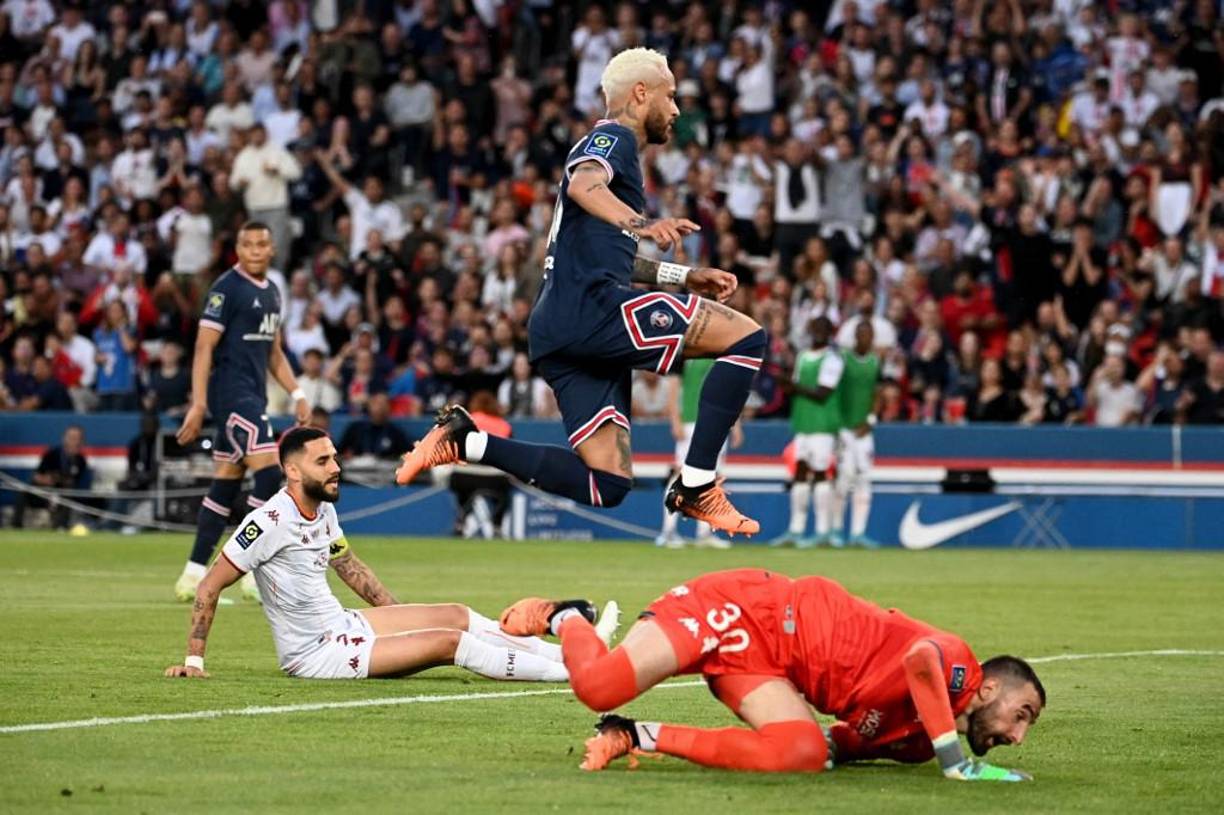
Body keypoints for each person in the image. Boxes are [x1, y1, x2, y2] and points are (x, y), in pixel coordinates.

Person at [396, 48, 766, 537]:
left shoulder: (615, 152)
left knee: (608, 483)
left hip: (561, 327)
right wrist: (645, 223)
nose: (676, 109)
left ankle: (468, 443)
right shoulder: (613, 138)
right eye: (671, 95)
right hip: (595, 311)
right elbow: (583, 186)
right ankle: (698, 485)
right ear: (641, 93)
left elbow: (609, 256)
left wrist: (681, 276)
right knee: (746, 339)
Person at [500, 568, 1043, 781]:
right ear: (989, 687)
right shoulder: (959, 667)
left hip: (764, 666)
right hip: (743, 609)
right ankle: (567, 616)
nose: (1017, 736)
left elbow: (844, 744)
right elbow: (920, 662)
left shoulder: (917, 742)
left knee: (802, 753)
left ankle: (632, 733)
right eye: (1022, 715)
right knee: (597, 686)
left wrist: (833, 748)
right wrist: (958, 764)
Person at [164, 427, 615, 681]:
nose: (336, 467)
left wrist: (406, 618)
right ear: (292, 471)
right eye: (323, 462)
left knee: (453, 614)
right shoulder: (268, 521)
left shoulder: (321, 510)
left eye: (335, 457)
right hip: (315, 654)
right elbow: (209, 584)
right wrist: (194, 661)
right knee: (449, 643)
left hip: (343, 624)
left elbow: (350, 567)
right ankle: (578, 673)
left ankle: (583, 654)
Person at [172, 222, 311, 603]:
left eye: (261, 244)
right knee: (269, 473)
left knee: (226, 484)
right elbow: (203, 348)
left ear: (271, 250)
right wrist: (199, 402)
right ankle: (249, 570)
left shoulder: (273, 293)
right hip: (232, 395)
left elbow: (274, 352)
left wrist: (297, 392)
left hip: (253, 396)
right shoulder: (226, 290)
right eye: (247, 244)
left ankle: (192, 574)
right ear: (237, 248)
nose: (254, 250)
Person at [656, 356, 741, 549]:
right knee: (680, 474)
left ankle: (704, 534)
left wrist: (735, 424)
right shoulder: (687, 352)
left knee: (710, 478)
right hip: (692, 420)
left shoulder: (724, 355)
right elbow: (673, 386)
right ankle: (667, 532)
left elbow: (730, 391)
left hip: (717, 421)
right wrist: (675, 419)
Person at [775, 316, 842, 547]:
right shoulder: (803, 356)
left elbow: (822, 393)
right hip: (803, 423)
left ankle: (823, 530)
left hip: (823, 425)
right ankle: (796, 529)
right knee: (800, 472)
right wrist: (783, 383)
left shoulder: (832, 359)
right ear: (811, 329)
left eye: (825, 329)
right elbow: (795, 388)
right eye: (817, 327)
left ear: (830, 332)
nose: (820, 332)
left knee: (822, 473)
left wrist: (792, 386)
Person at [830, 320, 882, 548]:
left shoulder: (874, 362)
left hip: (864, 430)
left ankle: (858, 533)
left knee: (864, 479)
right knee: (844, 478)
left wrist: (871, 420)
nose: (865, 338)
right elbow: (833, 392)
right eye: (861, 334)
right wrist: (839, 426)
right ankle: (836, 530)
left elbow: (878, 394)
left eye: (869, 334)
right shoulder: (843, 360)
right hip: (844, 429)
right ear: (855, 337)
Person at [12, 425, 91, 530]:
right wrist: (46, 480)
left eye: (78, 439)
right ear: (65, 439)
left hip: (64, 495)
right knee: (23, 493)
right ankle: (16, 526)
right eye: (72, 438)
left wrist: (61, 480)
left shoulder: (81, 460)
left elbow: (76, 483)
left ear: (82, 442)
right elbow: (36, 476)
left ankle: (60, 527)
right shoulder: (52, 454)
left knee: (68, 497)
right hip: (44, 493)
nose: (75, 442)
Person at [337, 393, 410, 460]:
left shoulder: (395, 432)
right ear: (369, 406)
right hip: (358, 469)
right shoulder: (355, 428)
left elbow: (409, 454)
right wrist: (346, 458)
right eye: (376, 404)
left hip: (385, 471)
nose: (379, 408)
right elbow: (339, 452)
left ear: (389, 408)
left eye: (383, 405)